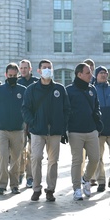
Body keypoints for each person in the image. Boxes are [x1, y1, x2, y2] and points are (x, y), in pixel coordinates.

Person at [22, 59, 69, 202]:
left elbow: (66, 109)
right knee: (36, 158)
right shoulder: (31, 89)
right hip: (37, 130)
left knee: (53, 161)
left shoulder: (59, 89)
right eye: (45, 68)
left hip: (54, 131)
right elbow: (25, 109)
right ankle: (36, 188)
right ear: (39, 71)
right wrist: (33, 122)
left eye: (50, 67)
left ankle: (50, 189)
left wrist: (62, 127)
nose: (47, 70)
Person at [66, 63, 101, 201]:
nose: (91, 75)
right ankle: (76, 188)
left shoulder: (92, 89)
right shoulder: (69, 90)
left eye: (91, 72)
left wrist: (98, 119)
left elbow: (96, 106)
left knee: (95, 158)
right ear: (79, 74)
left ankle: (86, 179)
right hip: (75, 131)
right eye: (88, 73)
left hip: (91, 130)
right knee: (77, 160)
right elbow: (66, 110)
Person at [0, 64, 27, 195]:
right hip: (2, 129)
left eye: (14, 76)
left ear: (18, 75)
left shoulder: (23, 90)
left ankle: (15, 185)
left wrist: (24, 120)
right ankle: (2, 185)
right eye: (10, 75)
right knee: (3, 158)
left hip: (18, 130)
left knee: (16, 159)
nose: (12, 77)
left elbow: (27, 107)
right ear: (6, 75)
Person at [18, 59, 38, 188]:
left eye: (26, 68)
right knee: (19, 149)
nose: (23, 70)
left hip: (32, 121)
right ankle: (20, 173)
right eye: (22, 68)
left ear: (30, 69)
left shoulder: (36, 83)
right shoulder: (17, 82)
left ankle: (30, 176)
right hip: (19, 121)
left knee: (32, 151)